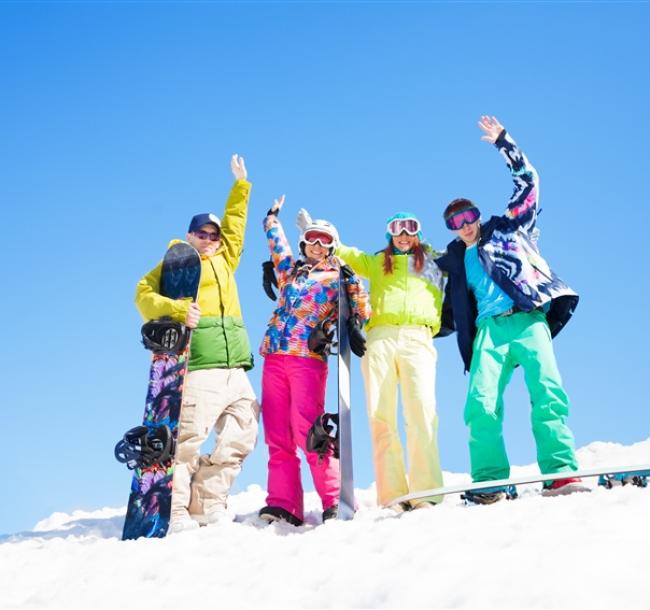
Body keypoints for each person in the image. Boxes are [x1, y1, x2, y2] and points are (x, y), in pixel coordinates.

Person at [436, 116, 584, 504]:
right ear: (451, 228)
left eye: (469, 216)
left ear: (477, 215)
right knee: (480, 404)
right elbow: (422, 290)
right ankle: (489, 480)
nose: (465, 225)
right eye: (455, 222)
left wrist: (504, 142)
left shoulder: (508, 228)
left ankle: (560, 472)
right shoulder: (452, 260)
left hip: (528, 320)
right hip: (489, 331)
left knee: (548, 392)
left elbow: (529, 184)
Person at [135, 154, 259, 532]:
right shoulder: (178, 262)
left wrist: (240, 187)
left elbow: (236, 226)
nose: (208, 239)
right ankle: (173, 509)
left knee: (243, 435)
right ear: (190, 235)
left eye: (213, 235)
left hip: (236, 363)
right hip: (200, 362)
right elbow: (142, 292)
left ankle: (207, 503)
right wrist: (175, 309)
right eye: (201, 234)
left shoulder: (226, 258)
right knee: (188, 440)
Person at [257, 195, 370, 526]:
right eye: (312, 239)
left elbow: (361, 307)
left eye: (325, 241)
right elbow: (277, 246)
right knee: (277, 433)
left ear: (333, 247)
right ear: (304, 242)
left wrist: (354, 322)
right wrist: (271, 218)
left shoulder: (337, 276)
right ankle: (283, 503)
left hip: (308, 358)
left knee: (309, 430)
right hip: (275, 355)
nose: (317, 245)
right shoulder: (288, 273)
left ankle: (334, 498)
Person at [336, 214, 450, 511]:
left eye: (410, 228)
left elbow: (466, 252)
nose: (402, 234)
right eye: (396, 229)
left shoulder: (436, 261)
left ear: (418, 233)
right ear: (389, 234)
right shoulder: (376, 263)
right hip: (381, 337)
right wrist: (325, 234)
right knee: (380, 414)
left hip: (418, 335)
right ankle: (393, 495)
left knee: (422, 410)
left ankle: (426, 492)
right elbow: (346, 254)